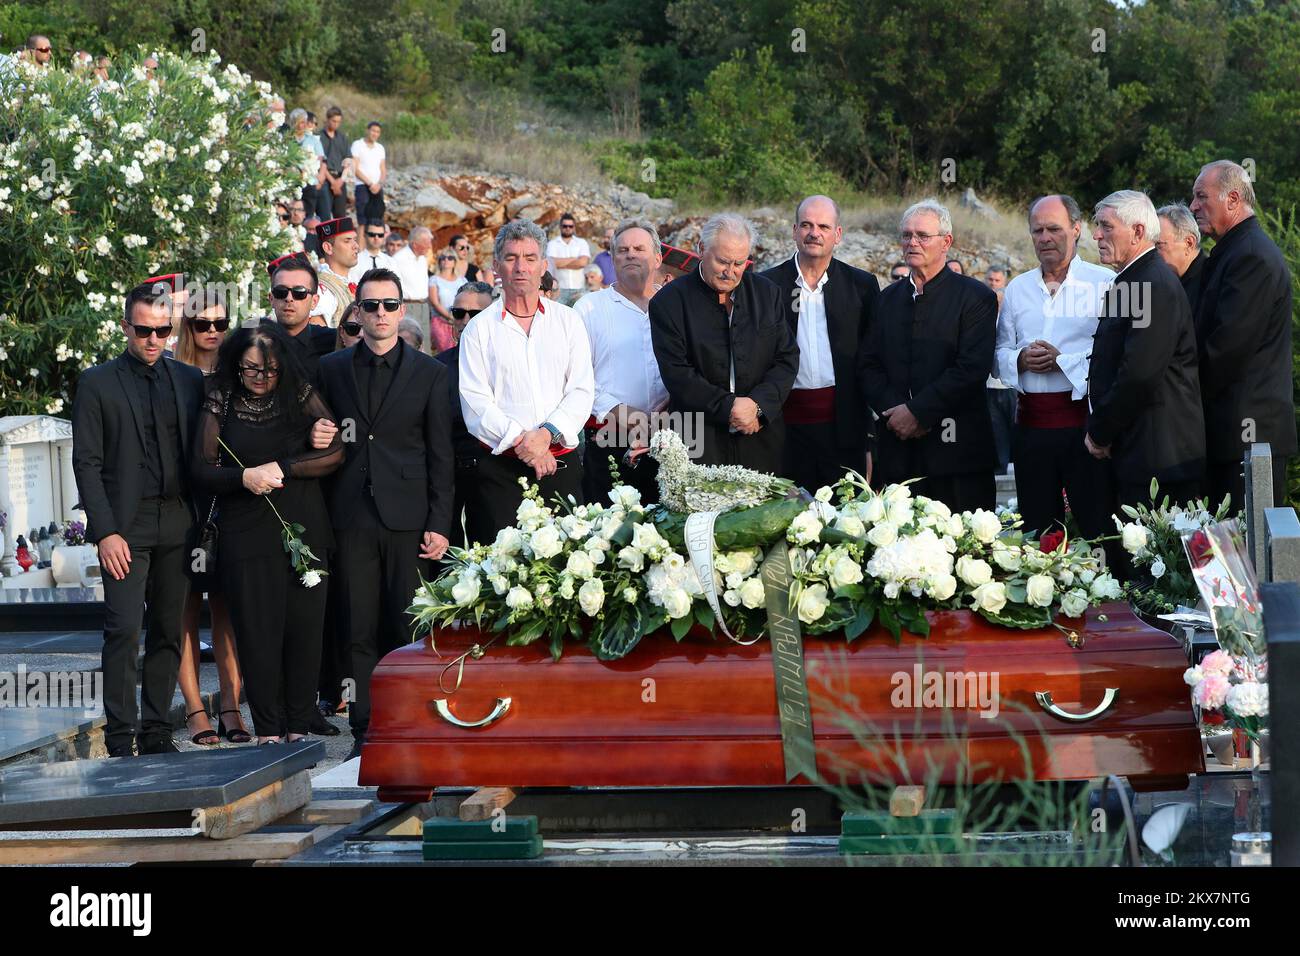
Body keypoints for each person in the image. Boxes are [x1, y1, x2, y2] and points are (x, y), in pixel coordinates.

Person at [309, 267, 454, 759]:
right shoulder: (330, 370)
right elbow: (315, 433)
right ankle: (364, 731)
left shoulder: (431, 373)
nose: (381, 314)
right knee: (356, 628)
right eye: (370, 306)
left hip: (410, 518)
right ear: (358, 312)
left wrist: (440, 523)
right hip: (349, 515)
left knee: (410, 625)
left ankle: (414, 725)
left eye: (390, 305)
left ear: (402, 309)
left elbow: (441, 454)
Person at [71, 282, 206, 756]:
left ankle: (157, 732)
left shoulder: (189, 380)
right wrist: (105, 531)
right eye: (144, 330)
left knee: (169, 629)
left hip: (178, 520)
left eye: (163, 330)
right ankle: (119, 734)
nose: (153, 340)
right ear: (126, 326)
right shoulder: (97, 382)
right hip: (124, 526)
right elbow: (86, 462)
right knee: (123, 630)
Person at [191, 325, 342, 744]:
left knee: (305, 631)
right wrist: (244, 477)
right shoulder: (221, 399)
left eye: (270, 370)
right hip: (246, 531)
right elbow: (201, 469)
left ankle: (298, 725)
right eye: (251, 370)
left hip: (305, 527)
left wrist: (286, 468)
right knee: (258, 633)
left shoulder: (298, 393)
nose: (261, 378)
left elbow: (335, 451)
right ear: (236, 365)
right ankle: (269, 731)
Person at [859, 199, 997, 512]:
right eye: (906, 235)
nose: (912, 242)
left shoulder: (976, 297)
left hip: (958, 453)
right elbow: (868, 365)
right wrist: (896, 412)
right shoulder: (886, 300)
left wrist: (918, 412)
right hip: (899, 453)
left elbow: (971, 369)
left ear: (946, 242)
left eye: (922, 235)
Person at [459, 220, 595, 536]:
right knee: (500, 574)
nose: (521, 267)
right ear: (496, 266)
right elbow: (476, 402)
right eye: (511, 258)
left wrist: (546, 435)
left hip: (559, 465)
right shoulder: (480, 329)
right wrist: (525, 444)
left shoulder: (567, 321)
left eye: (530, 258)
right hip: (500, 473)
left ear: (544, 266)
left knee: (567, 571)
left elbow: (581, 390)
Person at [995, 195, 1115, 539]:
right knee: (1038, 531)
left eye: (1054, 229)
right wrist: (1020, 359)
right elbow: (998, 350)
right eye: (1037, 230)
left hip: (1084, 428)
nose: (1045, 237)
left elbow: (1115, 355)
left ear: (1076, 229)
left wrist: (1062, 361)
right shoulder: (1017, 288)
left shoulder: (1105, 283)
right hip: (1030, 429)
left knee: (1098, 528)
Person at [650, 213, 798, 474]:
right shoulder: (668, 302)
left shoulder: (767, 293)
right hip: (697, 437)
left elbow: (786, 358)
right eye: (722, 261)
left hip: (760, 434)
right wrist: (729, 407)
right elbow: (677, 373)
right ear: (702, 249)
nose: (730, 271)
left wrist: (758, 406)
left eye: (739, 263)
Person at [1086, 190, 1205, 508]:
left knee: (1152, 557)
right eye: (1098, 226)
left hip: (1158, 460)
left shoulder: (1150, 283)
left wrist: (1100, 431)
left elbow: (1138, 373)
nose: (1096, 234)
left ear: (1138, 231)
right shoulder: (1134, 279)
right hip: (1140, 453)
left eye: (1106, 226)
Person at [1190, 160, 1296, 508]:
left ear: (1233, 199)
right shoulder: (1235, 251)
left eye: (1201, 196)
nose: (1193, 207)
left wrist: (1181, 399)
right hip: (1234, 436)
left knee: (1244, 559)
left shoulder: (1249, 256)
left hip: (1248, 439)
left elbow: (1226, 350)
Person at [172, 288, 250, 745]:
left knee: (228, 609)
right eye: (203, 324)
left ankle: (231, 706)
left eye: (221, 324)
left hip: (226, 502)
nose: (213, 332)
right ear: (188, 327)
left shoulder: (237, 374)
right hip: (182, 503)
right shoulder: (173, 376)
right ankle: (195, 711)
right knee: (182, 609)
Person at [760, 195, 880, 493]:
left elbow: (871, 359)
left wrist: (868, 437)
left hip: (844, 427)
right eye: (806, 225)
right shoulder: (765, 286)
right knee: (788, 520)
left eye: (823, 226)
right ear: (794, 231)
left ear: (837, 234)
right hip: (783, 428)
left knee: (844, 517)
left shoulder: (862, 286)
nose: (814, 233)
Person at [576, 219, 667, 506]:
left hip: (671, 436)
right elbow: (577, 376)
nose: (630, 254)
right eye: (623, 249)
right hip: (609, 439)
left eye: (639, 248)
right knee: (610, 537)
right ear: (612, 258)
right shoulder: (590, 308)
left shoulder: (675, 305)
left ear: (657, 257)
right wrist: (621, 412)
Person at [435, 282, 495, 547]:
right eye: (458, 313)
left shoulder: (507, 365)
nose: (466, 320)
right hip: (449, 476)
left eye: (475, 314)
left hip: (495, 473)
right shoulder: (437, 367)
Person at [266, 256, 336, 384]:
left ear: (314, 302)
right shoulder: (255, 342)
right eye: (281, 291)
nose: (289, 298)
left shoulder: (333, 342)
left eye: (299, 292)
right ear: (271, 299)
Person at [1155, 203, 1206, 318]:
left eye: (1159, 246)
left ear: (1189, 243)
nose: (1152, 255)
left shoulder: (1212, 282)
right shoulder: (1166, 280)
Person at [391, 226, 435, 353]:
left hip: (423, 306)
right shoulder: (398, 259)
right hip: (408, 306)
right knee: (409, 342)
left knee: (425, 343)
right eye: (427, 243)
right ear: (415, 244)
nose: (430, 246)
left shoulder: (422, 259)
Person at [312, 217, 359, 328]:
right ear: (328, 248)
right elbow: (318, 337)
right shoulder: (321, 290)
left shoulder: (351, 279)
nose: (356, 246)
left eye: (355, 240)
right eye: (347, 241)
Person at [545, 212, 592, 306]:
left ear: (574, 227)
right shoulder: (552, 244)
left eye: (570, 226)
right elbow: (552, 263)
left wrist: (560, 262)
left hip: (579, 289)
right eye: (565, 226)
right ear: (560, 227)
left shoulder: (582, 243)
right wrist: (574, 259)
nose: (567, 228)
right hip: (559, 290)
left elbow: (583, 263)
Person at [316, 106, 350, 219]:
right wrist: (332, 182)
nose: (336, 124)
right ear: (328, 119)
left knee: (340, 215)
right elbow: (320, 161)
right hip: (325, 178)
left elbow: (348, 159)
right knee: (324, 215)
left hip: (340, 177)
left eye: (338, 122)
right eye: (334, 121)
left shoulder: (342, 138)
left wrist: (341, 180)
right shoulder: (319, 137)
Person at [351, 121, 387, 225]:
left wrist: (379, 184)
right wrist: (370, 183)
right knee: (363, 221)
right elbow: (355, 168)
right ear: (367, 131)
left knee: (377, 219)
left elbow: (383, 169)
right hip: (362, 186)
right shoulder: (357, 145)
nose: (375, 134)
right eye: (373, 131)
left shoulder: (380, 148)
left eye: (377, 132)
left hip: (377, 188)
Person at [429, 250, 465, 352]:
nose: (446, 260)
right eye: (443, 258)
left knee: (460, 351)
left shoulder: (462, 280)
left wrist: (458, 318)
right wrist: (449, 317)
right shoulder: (434, 279)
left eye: (450, 258)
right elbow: (434, 302)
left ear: (455, 261)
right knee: (445, 352)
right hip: (441, 321)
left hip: (460, 320)